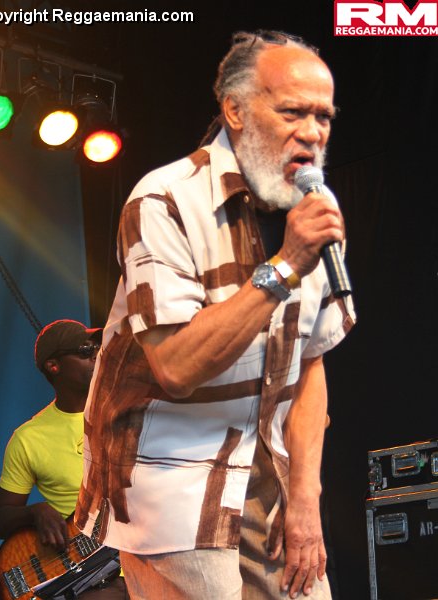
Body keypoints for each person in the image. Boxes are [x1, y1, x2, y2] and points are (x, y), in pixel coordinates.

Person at [75, 30, 356, 600]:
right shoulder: (163, 200)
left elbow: (311, 365)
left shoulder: (316, 212)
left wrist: (306, 499)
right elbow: (177, 366)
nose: (312, 131)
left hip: (266, 475)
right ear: (236, 110)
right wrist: (284, 267)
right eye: (293, 112)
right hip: (171, 479)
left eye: (323, 116)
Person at [0, 319, 127, 599]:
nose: (95, 355)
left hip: (148, 562)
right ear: (54, 366)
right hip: (91, 578)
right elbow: (1, 519)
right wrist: (36, 512)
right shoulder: (29, 438)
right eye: (84, 351)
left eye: (96, 349)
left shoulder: (128, 416)